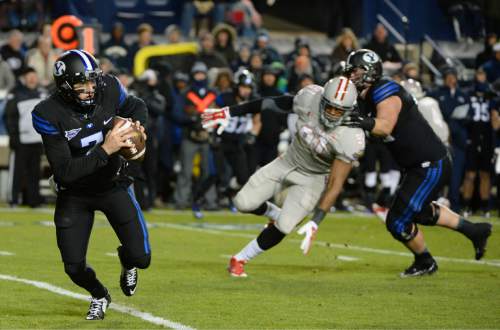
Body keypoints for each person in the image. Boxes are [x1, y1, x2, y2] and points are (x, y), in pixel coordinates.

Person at [342, 49, 492, 277]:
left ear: (370, 72)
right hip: (418, 166)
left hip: (430, 164)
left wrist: (360, 121)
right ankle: (475, 230)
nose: (351, 75)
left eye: (355, 70)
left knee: (397, 221)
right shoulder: (364, 99)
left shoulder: (384, 89)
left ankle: (425, 261)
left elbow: (383, 127)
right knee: (419, 213)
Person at [202, 76, 365, 277]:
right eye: (329, 106)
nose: (331, 114)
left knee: (286, 226)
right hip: (287, 161)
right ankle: (274, 213)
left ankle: (240, 259)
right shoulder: (309, 98)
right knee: (242, 203)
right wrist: (229, 112)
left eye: (338, 110)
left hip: (314, 178)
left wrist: (316, 221)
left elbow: (335, 183)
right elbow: (271, 103)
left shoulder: (351, 137)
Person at [31, 50, 151, 320]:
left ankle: (127, 260)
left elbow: (137, 106)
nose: (90, 89)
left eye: (92, 81)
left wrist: (140, 129)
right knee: (73, 267)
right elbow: (64, 173)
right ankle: (99, 295)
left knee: (141, 258)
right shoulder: (48, 113)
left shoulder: (108, 87)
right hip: (75, 193)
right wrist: (106, 149)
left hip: (112, 184)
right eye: (81, 84)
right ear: (64, 86)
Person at [4, 67, 45, 208]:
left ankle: (34, 201)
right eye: (29, 76)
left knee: (35, 173)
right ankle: (13, 199)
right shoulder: (16, 94)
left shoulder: (42, 94)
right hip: (21, 142)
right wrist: (14, 136)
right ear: (24, 78)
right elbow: (8, 117)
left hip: (37, 141)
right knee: (17, 172)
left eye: (34, 75)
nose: (32, 78)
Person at [461, 70, 495, 217]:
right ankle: (467, 206)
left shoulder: (492, 96)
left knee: (485, 174)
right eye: (479, 75)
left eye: (483, 75)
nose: (481, 78)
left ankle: (485, 207)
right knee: (470, 174)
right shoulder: (468, 94)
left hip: (487, 139)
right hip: (472, 138)